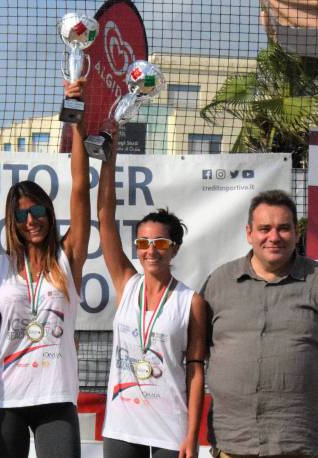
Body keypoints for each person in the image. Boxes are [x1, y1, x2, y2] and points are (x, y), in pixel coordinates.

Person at [0, 78, 91, 457]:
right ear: (13, 221)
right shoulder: (1, 267)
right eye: (23, 214)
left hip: (55, 394)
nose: (32, 220)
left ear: (48, 212)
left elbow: (79, 187)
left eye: (38, 210)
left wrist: (76, 119)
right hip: (4, 394)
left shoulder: (67, 255)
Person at [202, 190, 318, 457]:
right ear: (249, 233)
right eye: (264, 228)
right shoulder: (219, 282)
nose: (274, 237)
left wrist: (310, 371)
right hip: (233, 438)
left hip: (298, 439)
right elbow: (201, 346)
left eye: (283, 228)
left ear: (297, 233)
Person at [96, 134, 207, 457]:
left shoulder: (191, 301)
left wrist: (192, 435)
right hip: (122, 424)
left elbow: (196, 371)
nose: (150, 251)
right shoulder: (126, 283)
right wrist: (109, 156)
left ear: (174, 249)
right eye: (143, 243)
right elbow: (105, 217)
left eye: (160, 244)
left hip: (170, 429)